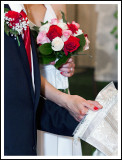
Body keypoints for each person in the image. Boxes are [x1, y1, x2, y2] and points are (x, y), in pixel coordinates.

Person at [4, 4, 102, 156]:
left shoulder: (58, 4)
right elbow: (21, 68)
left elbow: (62, 44)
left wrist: (65, 62)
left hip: (58, 86)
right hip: (34, 89)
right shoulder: (11, 10)